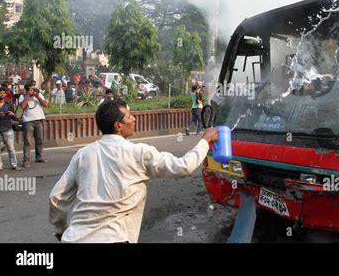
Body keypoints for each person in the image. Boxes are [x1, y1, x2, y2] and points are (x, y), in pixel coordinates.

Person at [48, 99, 218, 243]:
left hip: (73, 238)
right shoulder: (139, 153)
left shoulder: (83, 154)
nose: (134, 119)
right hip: (113, 238)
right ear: (118, 125)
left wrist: (61, 229)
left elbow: (57, 197)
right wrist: (205, 140)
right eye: (129, 116)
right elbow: (183, 167)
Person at [19, 84, 48, 167]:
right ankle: (26, 160)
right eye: (31, 89)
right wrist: (28, 96)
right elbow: (23, 106)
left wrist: (37, 96)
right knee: (27, 141)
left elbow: (45, 104)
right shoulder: (22, 96)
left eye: (34, 89)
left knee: (40, 140)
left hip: (39, 120)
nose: (33, 91)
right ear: (27, 90)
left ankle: (39, 157)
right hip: (28, 121)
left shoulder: (38, 95)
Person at [0, 88, 21, 172]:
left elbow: (15, 118)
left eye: (3, 93)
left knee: (11, 149)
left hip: (8, 128)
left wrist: (12, 114)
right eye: (0, 93)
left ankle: (14, 164)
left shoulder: (9, 104)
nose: (2, 95)